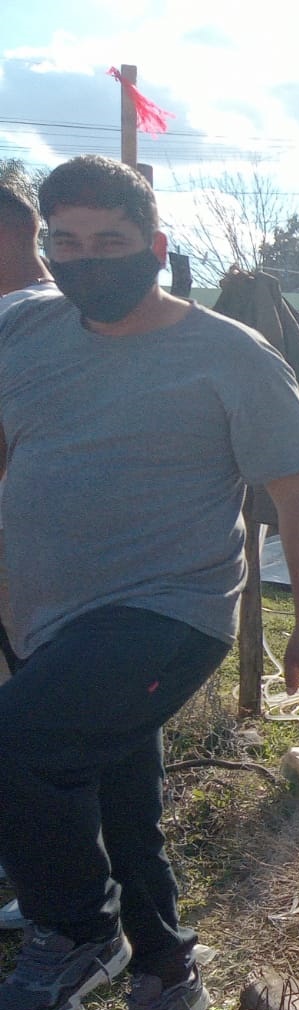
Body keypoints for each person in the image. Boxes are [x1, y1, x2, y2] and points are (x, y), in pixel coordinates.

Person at [0, 155, 299, 1010]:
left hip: (168, 611)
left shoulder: (231, 356)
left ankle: (78, 933)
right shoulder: (25, 330)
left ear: (155, 246)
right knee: (115, 796)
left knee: (19, 743)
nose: (87, 260)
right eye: (67, 242)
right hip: (46, 613)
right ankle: (165, 969)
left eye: (110, 241)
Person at [0, 181, 59, 932]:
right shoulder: (76, 313)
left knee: (32, 725)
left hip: (24, 557)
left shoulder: (15, 322)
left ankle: (50, 881)